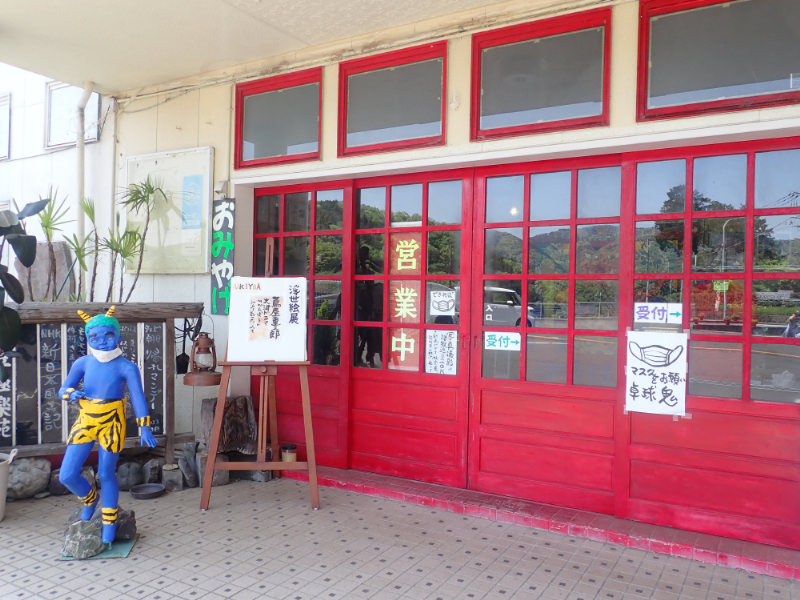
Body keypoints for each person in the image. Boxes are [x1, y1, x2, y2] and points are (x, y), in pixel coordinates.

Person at [57, 307, 157, 545]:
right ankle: (90, 499)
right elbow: (63, 389)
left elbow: (138, 397)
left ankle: (109, 521)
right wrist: (70, 394)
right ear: (88, 339)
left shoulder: (127, 367)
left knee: (105, 473)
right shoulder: (82, 362)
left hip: (112, 420)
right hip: (86, 418)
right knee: (67, 474)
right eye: (94, 337)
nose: (101, 342)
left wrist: (144, 426)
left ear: (119, 337)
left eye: (108, 335)